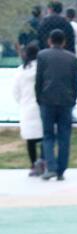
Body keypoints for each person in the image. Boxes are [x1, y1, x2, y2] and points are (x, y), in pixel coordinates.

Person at [35, 29, 77, 182]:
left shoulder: (42, 56)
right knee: (64, 136)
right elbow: (76, 83)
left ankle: (51, 167)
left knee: (48, 135)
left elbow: (39, 79)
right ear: (64, 42)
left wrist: (39, 98)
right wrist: (73, 100)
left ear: (49, 41)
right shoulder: (72, 58)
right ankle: (61, 170)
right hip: (66, 101)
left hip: (47, 100)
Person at [12, 41, 44, 176]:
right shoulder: (43, 69)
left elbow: (16, 92)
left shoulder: (20, 71)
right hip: (42, 107)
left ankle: (33, 165)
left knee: (30, 139)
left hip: (27, 107)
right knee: (45, 137)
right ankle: (43, 162)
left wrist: (22, 102)